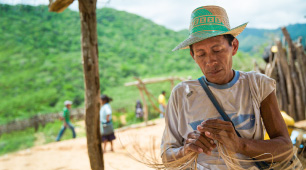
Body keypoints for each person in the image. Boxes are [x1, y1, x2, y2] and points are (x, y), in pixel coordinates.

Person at [161, 5, 302, 169]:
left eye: (217, 50)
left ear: (234, 46)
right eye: (201, 54)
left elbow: (285, 149)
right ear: (193, 55)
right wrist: (186, 150)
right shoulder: (182, 94)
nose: (211, 61)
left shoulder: (258, 85)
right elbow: (166, 157)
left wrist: (240, 145)